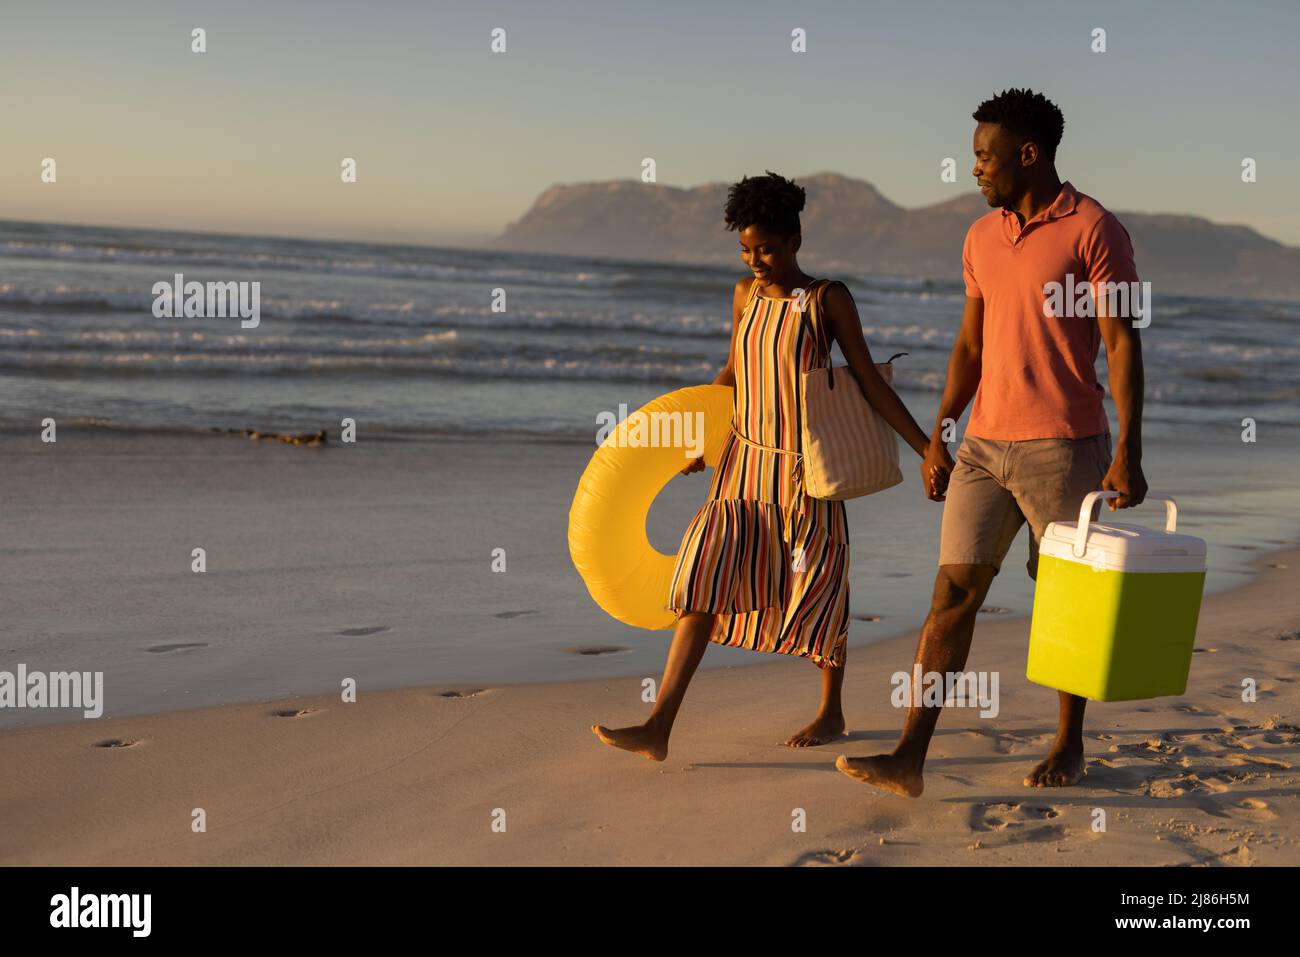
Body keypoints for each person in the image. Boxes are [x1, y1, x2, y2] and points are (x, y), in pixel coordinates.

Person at [837, 89, 1148, 796]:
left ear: (1028, 154)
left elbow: (1121, 344)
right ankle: (909, 755)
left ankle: (1069, 741)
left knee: (1063, 597)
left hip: (1064, 446)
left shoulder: (1096, 229)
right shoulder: (980, 237)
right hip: (982, 445)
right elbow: (970, 344)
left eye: (985, 155)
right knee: (952, 592)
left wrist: (1129, 446)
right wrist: (941, 432)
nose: (974, 168)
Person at [592, 171, 934, 761]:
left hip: (806, 476)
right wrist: (693, 442)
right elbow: (731, 374)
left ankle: (832, 710)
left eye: (767, 249)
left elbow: (870, 382)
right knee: (702, 583)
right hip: (743, 469)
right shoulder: (744, 295)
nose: (756, 261)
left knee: (820, 588)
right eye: (747, 250)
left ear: (795, 239)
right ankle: (659, 725)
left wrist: (928, 447)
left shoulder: (826, 299)